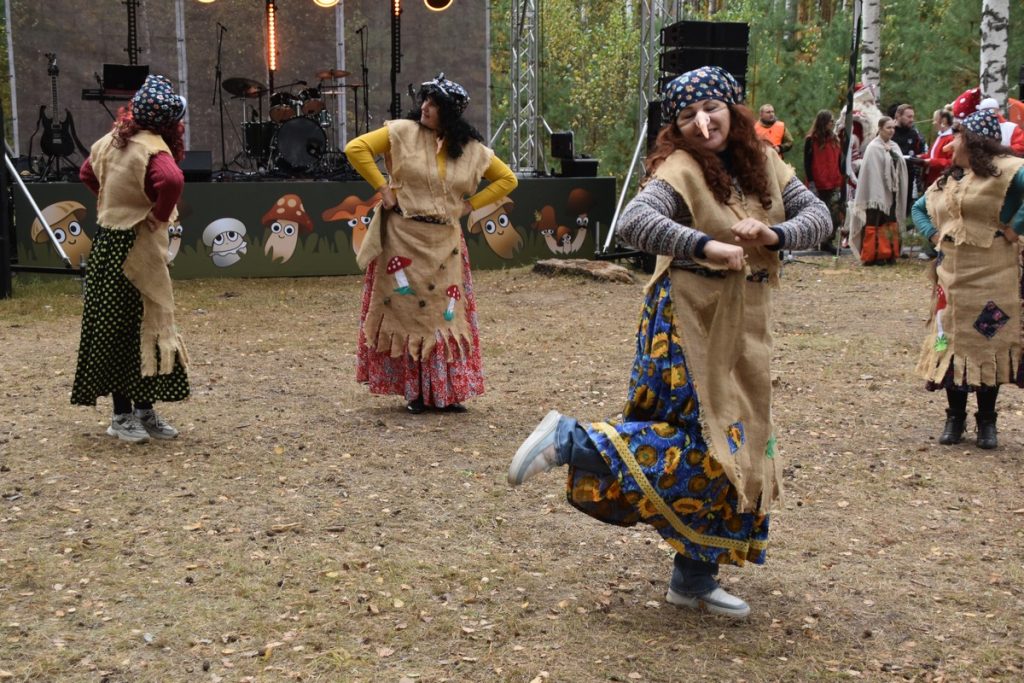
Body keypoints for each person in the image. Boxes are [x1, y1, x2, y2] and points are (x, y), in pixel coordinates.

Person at [507, 66, 830, 619]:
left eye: (712, 108)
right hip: (685, 322)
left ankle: (693, 577)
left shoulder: (765, 162)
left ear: (734, 109)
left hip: (743, 321)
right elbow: (634, 222)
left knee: (736, 445)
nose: (702, 122)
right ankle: (571, 440)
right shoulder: (679, 168)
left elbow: (819, 216)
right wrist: (704, 245)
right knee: (706, 443)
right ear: (676, 128)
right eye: (687, 115)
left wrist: (775, 234)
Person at [344, 73, 517, 414]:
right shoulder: (402, 132)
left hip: (444, 245)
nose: (425, 107)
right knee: (408, 312)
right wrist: (383, 188)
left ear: (450, 112)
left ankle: (444, 392)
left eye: (434, 104)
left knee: (443, 314)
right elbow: (356, 149)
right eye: (424, 100)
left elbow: (507, 179)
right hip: (402, 237)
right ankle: (416, 392)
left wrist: (470, 205)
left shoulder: (470, 149)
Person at [72, 74, 189, 443]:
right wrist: (157, 213)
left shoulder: (112, 139)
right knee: (140, 325)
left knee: (121, 327)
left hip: (109, 244)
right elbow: (172, 181)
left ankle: (138, 412)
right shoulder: (154, 149)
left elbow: (86, 172)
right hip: (138, 245)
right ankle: (125, 416)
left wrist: (111, 198)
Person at [912, 109, 1024, 449]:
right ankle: (955, 418)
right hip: (951, 278)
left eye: (957, 136)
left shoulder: (1009, 171)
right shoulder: (950, 180)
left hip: (995, 276)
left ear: (974, 141)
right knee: (951, 342)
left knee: (989, 342)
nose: (950, 143)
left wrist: (1014, 228)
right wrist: (933, 235)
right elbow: (919, 208)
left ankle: (987, 421)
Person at [849, 116, 908, 265]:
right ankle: (872, 255)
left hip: (891, 191)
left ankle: (888, 253)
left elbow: (900, 164)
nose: (892, 131)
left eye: (893, 128)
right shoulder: (873, 147)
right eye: (888, 128)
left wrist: (892, 154)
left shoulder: (894, 146)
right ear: (880, 129)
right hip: (875, 192)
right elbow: (871, 172)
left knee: (890, 220)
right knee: (874, 221)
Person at [803, 109, 844, 252]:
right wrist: (811, 183)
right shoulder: (811, 140)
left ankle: (828, 240)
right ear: (823, 122)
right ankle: (817, 240)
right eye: (830, 121)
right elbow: (807, 163)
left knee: (835, 213)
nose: (833, 123)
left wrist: (841, 177)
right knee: (818, 213)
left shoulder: (835, 139)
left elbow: (839, 160)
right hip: (818, 183)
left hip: (834, 181)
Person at [892, 104, 927, 214]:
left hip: (908, 177)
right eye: (908, 117)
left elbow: (919, 153)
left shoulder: (913, 133)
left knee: (905, 209)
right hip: (891, 176)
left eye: (912, 117)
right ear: (898, 116)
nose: (912, 120)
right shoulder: (890, 131)